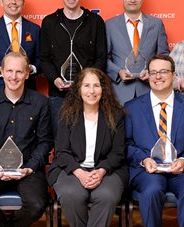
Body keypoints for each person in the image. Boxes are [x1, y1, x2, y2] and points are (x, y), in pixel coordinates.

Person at [0, 52, 53, 227]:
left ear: (27, 73)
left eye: (19, 72)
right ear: (1, 72)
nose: (13, 77)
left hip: (29, 170)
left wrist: (30, 168)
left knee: (37, 204)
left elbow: (45, 141)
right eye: (9, 71)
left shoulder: (41, 103)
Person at [125, 55, 184, 227]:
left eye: (163, 71)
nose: (158, 76)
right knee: (151, 190)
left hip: (183, 170)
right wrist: (144, 159)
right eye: (153, 72)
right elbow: (126, 143)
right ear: (147, 75)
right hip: (148, 170)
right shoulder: (131, 107)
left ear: (174, 75)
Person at [47, 68, 128, 227]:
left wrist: (101, 171)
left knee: (106, 195)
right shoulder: (67, 114)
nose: (92, 91)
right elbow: (62, 152)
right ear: (78, 89)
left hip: (107, 169)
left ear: (103, 89)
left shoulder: (116, 115)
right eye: (86, 85)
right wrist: (79, 172)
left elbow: (118, 152)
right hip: (71, 168)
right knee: (71, 194)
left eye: (96, 86)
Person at [40, 0, 107, 134]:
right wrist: (55, 79)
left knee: (88, 139)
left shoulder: (95, 21)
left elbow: (101, 58)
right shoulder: (49, 22)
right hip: (58, 94)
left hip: (88, 94)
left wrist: (85, 83)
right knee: (60, 140)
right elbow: (44, 58)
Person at [106, 0, 169, 105]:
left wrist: (151, 72)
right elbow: (104, 58)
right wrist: (118, 72)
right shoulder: (109, 25)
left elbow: (164, 56)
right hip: (120, 93)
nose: (133, 0)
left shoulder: (156, 24)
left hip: (149, 90)